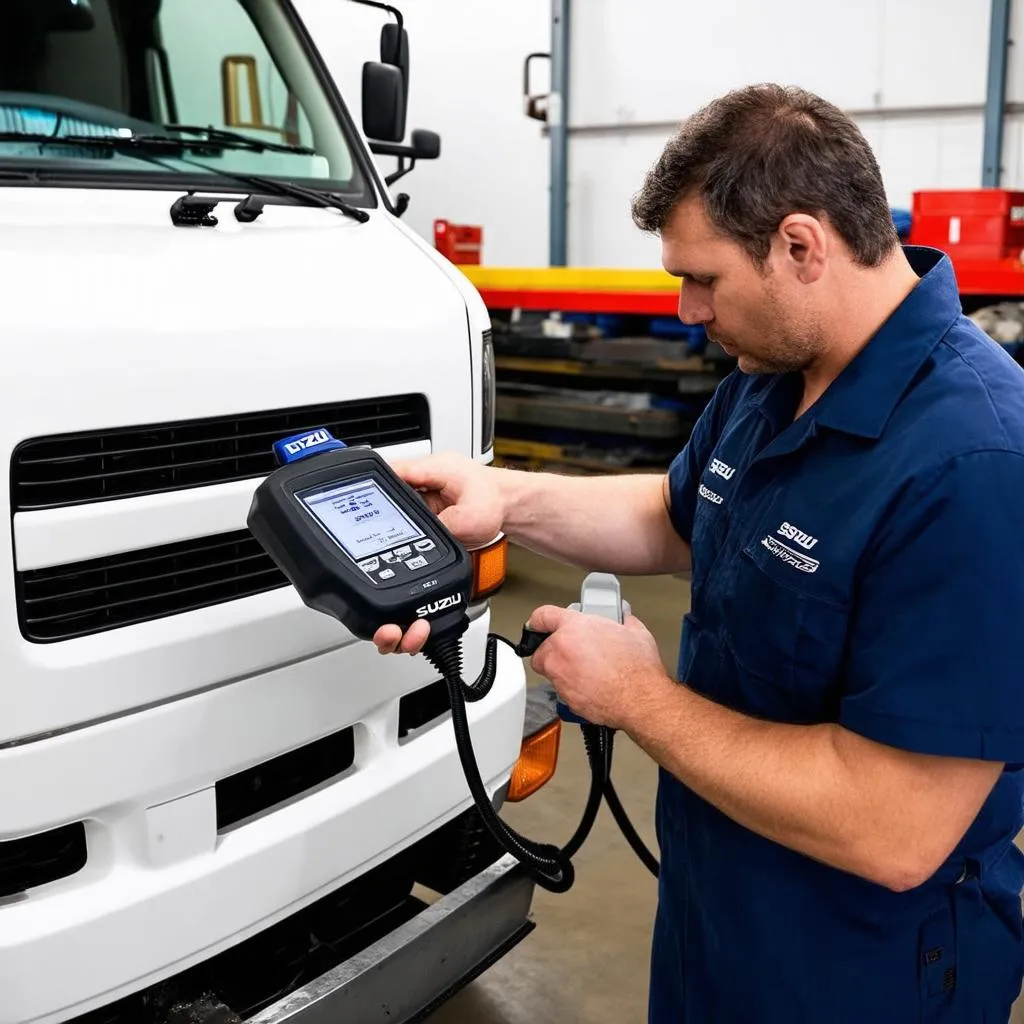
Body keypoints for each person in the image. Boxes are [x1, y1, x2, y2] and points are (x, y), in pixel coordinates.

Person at [374, 83, 1024, 1022]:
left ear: (801, 245)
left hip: (864, 968)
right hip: (721, 905)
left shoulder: (974, 462)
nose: (685, 310)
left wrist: (636, 698)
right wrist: (503, 498)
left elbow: (896, 829)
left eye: (703, 279)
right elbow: (679, 517)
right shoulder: (772, 378)